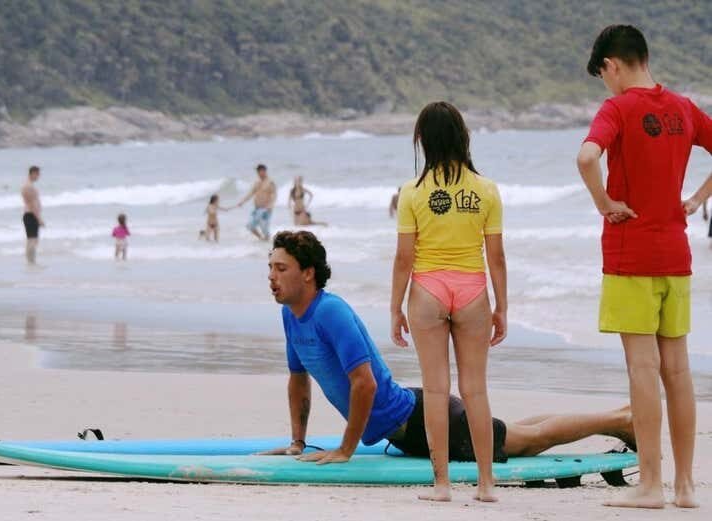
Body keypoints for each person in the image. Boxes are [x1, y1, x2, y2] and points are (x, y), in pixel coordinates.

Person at [263, 230, 635, 490]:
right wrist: (298, 441)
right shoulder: (291, 315)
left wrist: (347, 449)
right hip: (411, 427)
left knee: (526, 441)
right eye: (270, 268)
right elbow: (298, 379)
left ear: (308, 273)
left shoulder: (331, 312)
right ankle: (617, 416)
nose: (271, 277)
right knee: (511, 430)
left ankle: (619, 420)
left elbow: (365, 383)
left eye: (281, 268)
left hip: (423, 421)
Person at [577, 25, 712, 509]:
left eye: (603, 76)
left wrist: (603, 201)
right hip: (676, 257)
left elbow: (587, 155)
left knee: (642, 368)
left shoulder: (617, 108)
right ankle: (687, 487)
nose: (606, 86)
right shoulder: (682, 107)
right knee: (677, 370)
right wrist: (695, 198)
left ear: (611, 65)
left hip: (631, 255)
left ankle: (651, 485)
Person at [389, 102, 506, 502]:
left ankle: (441, 485)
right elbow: (497, 257)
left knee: (436, 390)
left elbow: (405, 257)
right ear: (463, 137)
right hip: (473, 291)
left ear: (422, 140)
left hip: (426, 290)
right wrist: (501, 306)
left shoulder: (412, 192)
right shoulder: (486, 190)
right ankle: (487, 484)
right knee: (475, 389)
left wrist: (394, 308)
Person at [233, 164, 277, 241]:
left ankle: (268, 243)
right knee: (250, 226)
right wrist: (242, 202)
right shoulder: (257, 182)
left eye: (259, 171)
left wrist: (270, 205)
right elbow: (250, 194)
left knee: (264, 228)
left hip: (265, 209)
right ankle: (261, 239)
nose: (258, 173)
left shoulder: (270, 182)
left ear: (264, 171)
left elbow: (274, 195)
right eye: (257, 171)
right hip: (256, 209)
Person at [20, 165, 44, 265]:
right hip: (30, 214)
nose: (38, 177)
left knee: (33, 239)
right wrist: (38, 218)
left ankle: (31, 261)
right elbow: (31, 203)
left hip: (31, 214)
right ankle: (31, 261)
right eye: (37, 174)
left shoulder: (29, 185)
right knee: (32, 240)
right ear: (33, 173)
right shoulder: (28, 186)